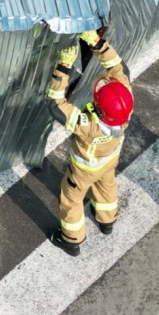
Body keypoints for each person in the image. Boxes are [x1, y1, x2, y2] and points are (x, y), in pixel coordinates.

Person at [45, 29, 134, 257]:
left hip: (84, 170)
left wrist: (63, 67)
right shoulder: (125, 100)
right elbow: (117, 67)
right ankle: (107, 220)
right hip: (110, 158)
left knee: (70, 199)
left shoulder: (89, 126)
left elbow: (57, 105)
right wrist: (97, 43)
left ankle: (71, 239)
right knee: (107, 185)